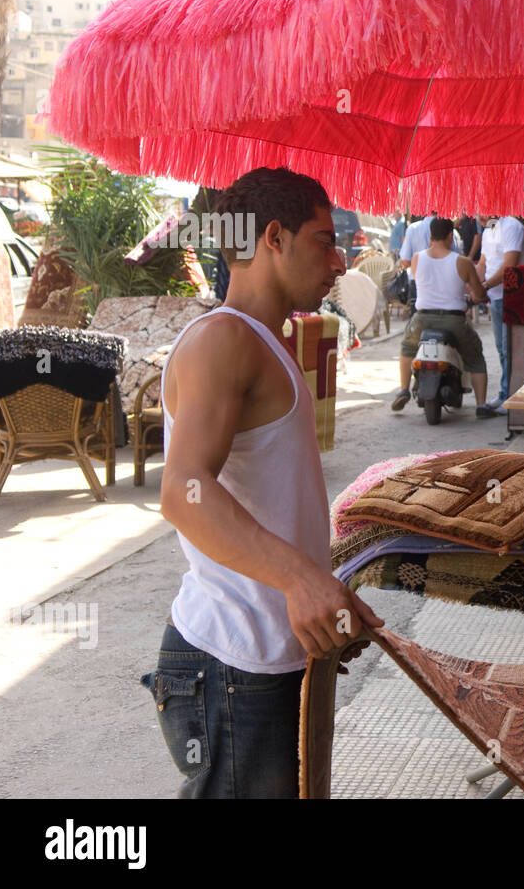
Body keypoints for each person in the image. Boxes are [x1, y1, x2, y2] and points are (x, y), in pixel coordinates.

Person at [144, 167, 383, 798]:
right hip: (231, 663)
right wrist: (300, 580)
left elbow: (278, 498)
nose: (338, 261)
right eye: (324, 240)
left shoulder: (268, 341)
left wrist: (321, 587)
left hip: (270, 655)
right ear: (273, 237)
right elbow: (183, 491)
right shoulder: (224, 340)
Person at [391, 216, 497, 417]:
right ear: (451, 236)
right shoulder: (462, 262)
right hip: (454, 321)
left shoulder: (417, 258)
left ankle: (404, 388)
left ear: (431, 235)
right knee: (475, 357)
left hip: (422, 319)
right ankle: (481, 405)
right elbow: (478, 293)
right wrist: (479, 296)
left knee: (407, 348)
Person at [478, 215, 524, 410]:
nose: (477, 214)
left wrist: (483, 286)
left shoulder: (511, 226)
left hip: (512, 296)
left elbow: (510, 265)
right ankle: (505, 392)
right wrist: (473, 282)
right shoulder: (487, 231)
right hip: (496, 297)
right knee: (501, 349)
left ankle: (510, 395)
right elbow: (483, 262)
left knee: (510, 349)